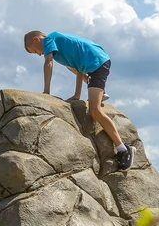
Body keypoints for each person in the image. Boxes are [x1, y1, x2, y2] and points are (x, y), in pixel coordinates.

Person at [23, 30, 134, 171]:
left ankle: (124, 149)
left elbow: (48, 63)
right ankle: (100, 92)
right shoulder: (61, 46)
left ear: (36, 39)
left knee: (94, 110)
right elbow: (78, 68)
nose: (39, 54)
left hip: (97, 63)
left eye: (34, 51)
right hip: (95, 61)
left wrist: (46, 92)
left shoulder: (49, 39)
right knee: (71, 68)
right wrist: (76, 95)